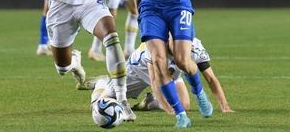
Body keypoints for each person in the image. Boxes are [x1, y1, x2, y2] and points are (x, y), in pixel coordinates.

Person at [82, 37, 235, 115]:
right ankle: (102, 83)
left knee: (184, 105)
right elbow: (155, 81)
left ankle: (152, 102)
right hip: (137, 70)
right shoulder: (155, 47)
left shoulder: (195, 47)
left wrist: (225, 106)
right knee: (98, 106)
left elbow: (211, 78)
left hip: (170, 73)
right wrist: (170, 110)